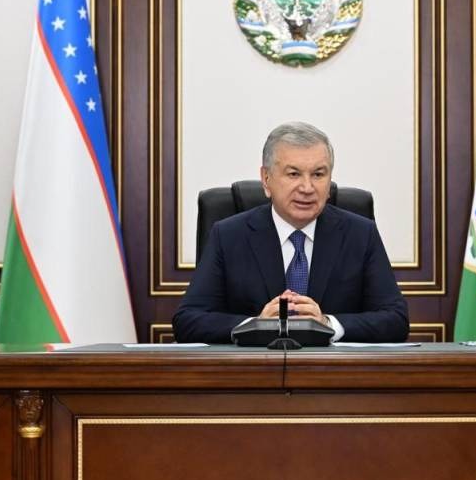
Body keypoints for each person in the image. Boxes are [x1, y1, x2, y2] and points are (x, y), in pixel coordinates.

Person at [173, 122, 409, 344]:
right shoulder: (228, 235)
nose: (307, 188)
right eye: (294, 174)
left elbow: (396, 320)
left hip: (333, 371)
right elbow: (188, 321)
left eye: (318, 174)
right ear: (266, 179)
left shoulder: (360, 234)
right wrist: (256, 326)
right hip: (255, 370)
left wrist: (328, 324)